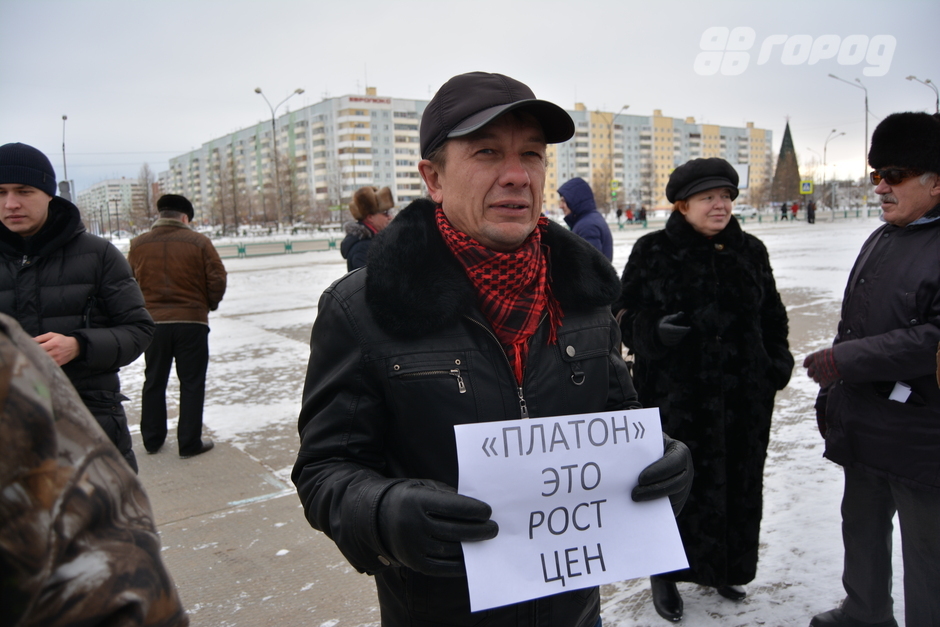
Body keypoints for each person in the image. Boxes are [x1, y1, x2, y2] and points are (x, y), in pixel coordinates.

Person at [292, 71, 693, 627]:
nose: (516, 175)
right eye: (487, 152)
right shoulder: (362, 308)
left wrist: (660, 458)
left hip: (572, 611)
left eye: (531, 154)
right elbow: (326, 469)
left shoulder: (583, 296)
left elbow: (615, 413)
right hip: (439, 611)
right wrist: (384, 513)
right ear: (433, 178)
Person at [614, 157, 793, 622]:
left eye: (727, 196)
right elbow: (621, 315)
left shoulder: (750, 250)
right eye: (709, 197)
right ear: (682, 204)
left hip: (743, 398)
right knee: (675, 487)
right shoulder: (653, 250)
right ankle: (665, 574)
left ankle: (725, 566)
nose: (721, 205)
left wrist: (776, 365)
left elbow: (772, 316)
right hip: (679, 398)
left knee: (737, 483)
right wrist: (651, 330)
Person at [804, 111, 940, 627]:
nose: (880, 186)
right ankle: (864, 613)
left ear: (936, 181)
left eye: (894, 175)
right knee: (860, 527)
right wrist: (835, 397)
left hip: (923, 436)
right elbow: (856, 324)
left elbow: (932, 340)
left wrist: (844, 362)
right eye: (874, 173)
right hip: (866, 422)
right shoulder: (884, 236)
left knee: (929, 555)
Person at [0, 312, 189, 626]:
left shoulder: (8, 352)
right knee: (167, 381)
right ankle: (172, 438)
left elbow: (139, 328)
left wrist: (79, 344)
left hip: (94, 419)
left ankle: (172, 438)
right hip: (187, 320)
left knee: (168, 380)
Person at [0, 142, 154, 473]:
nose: (10, 203)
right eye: (0, 192)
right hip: (10, 439)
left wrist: (79, 345)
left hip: (89, 430)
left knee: (109, 523)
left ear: (48, 193)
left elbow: (139, 330)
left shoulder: (98, 255)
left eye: (24, 191)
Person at [128, 194, 227, 459]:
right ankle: (189, 442)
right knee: (192, 382)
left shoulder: (138, 244)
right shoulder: (199, 242)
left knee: (154, 380)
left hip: (153, 324)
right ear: (185, 218)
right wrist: (207, 305)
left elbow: (128, 282)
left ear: (161, 215)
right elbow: (217, 278)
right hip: (191, 323)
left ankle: (152, 439)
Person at [557, 176, 614, 261]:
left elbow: (590, 267)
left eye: (564, 201)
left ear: (575, 200)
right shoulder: (587, 220)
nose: (560, 206)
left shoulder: (587, 226)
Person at [340, 185, 394, 271]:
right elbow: (371, 282)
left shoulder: (372, 241)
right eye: (385, 213)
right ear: (370, 217)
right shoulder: (363, 248)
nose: (390, 217)